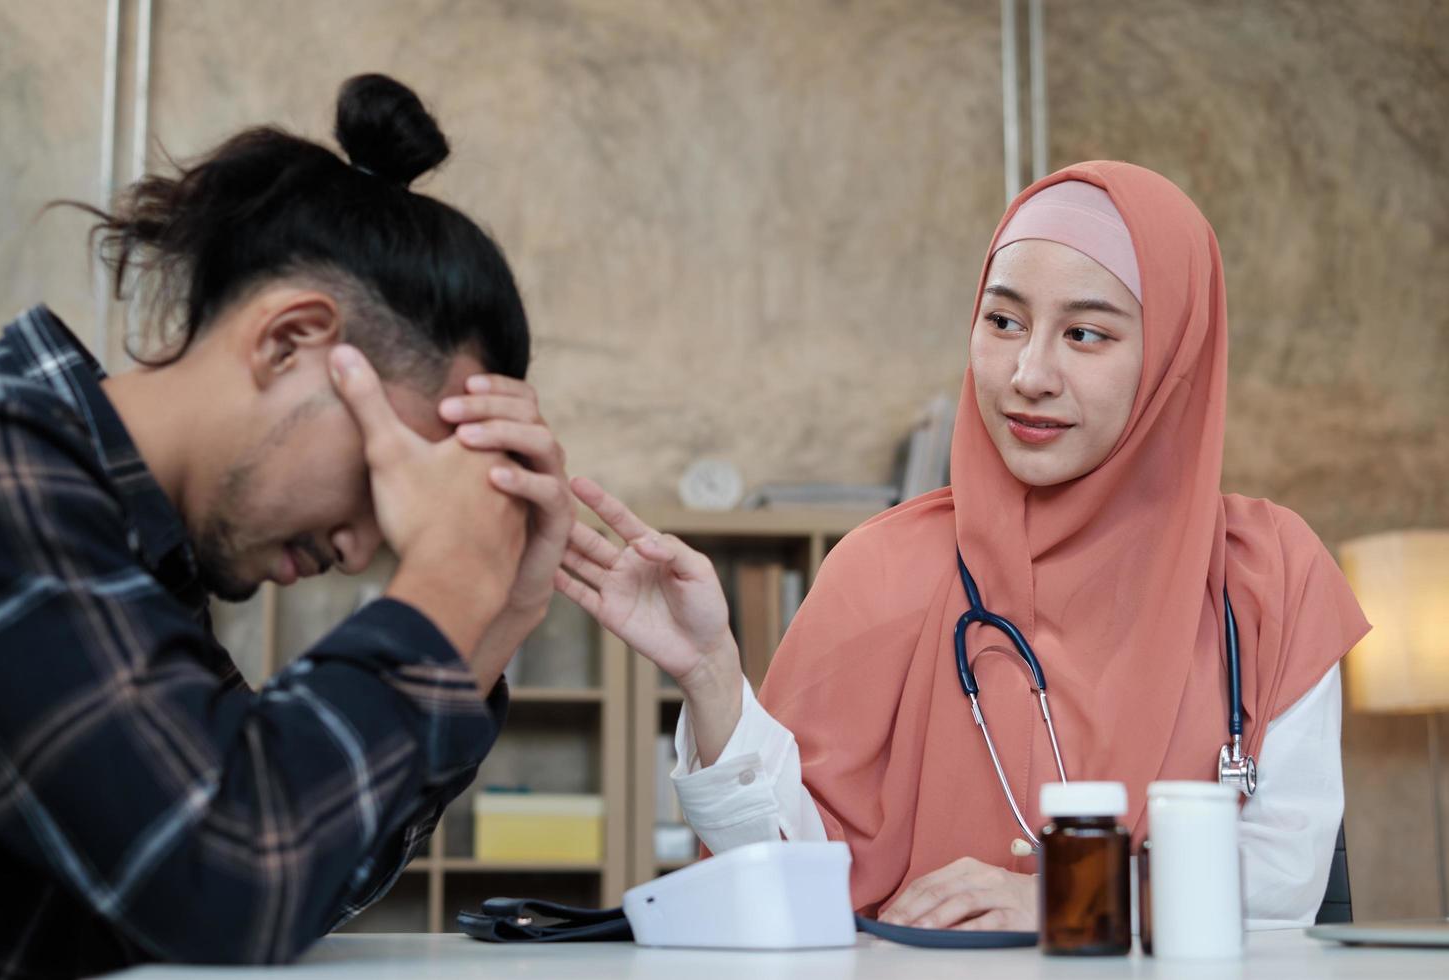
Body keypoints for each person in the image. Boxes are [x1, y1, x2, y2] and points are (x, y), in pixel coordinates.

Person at [557, 161, 1370, 931]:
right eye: (1003, 320)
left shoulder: (1268, 577)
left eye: (1086, 334)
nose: (1028, 372)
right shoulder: (878, 570)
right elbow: (782, 886)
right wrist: (710, 680)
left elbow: (1281, 880)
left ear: (1173, 359)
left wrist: (1064, 897)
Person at [0, 74, 574, 977]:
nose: (362, 549)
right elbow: (233, 881)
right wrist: (448, 577)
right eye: (380, 473)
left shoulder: (141, 553)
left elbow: (300, 871)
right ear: (289, 340)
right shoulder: (1, 465)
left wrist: (496, 619)